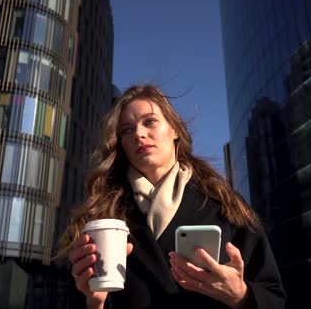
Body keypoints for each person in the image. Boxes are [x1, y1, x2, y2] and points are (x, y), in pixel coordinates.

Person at [59, 84, 285, 308]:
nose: (139, 133)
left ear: (174, 130)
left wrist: (240, 295)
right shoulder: (104, 218)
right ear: (122, 145)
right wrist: (92, 303)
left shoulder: (224, 203)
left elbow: (274, 299)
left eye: (150, 122)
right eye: (127, 130)